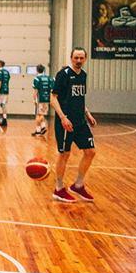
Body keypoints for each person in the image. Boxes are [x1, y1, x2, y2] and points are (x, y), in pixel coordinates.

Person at [50, 47, 97, 203]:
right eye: (76, 57)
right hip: (66, 122)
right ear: (71, 58)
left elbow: (79, 98)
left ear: (85, 59)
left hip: (80, 121)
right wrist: (63, 118)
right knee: (64, 154)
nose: (78, 60)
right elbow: (53, 99)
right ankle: (58, 188)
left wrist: (87, 113)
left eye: (81, 58)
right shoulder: (63, 75)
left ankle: (78, 185)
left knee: (90, 152)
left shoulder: (83, 75)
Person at [32, 64, 54, 136]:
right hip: (47, 98)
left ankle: (39, 130)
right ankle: (42, 127)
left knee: (38, 115)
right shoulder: (49, 78)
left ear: (37, 70)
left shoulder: (37, 78)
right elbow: (52, 89)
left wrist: (34, 99)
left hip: (40, 99)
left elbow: (35, 90)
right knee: (42, 113)